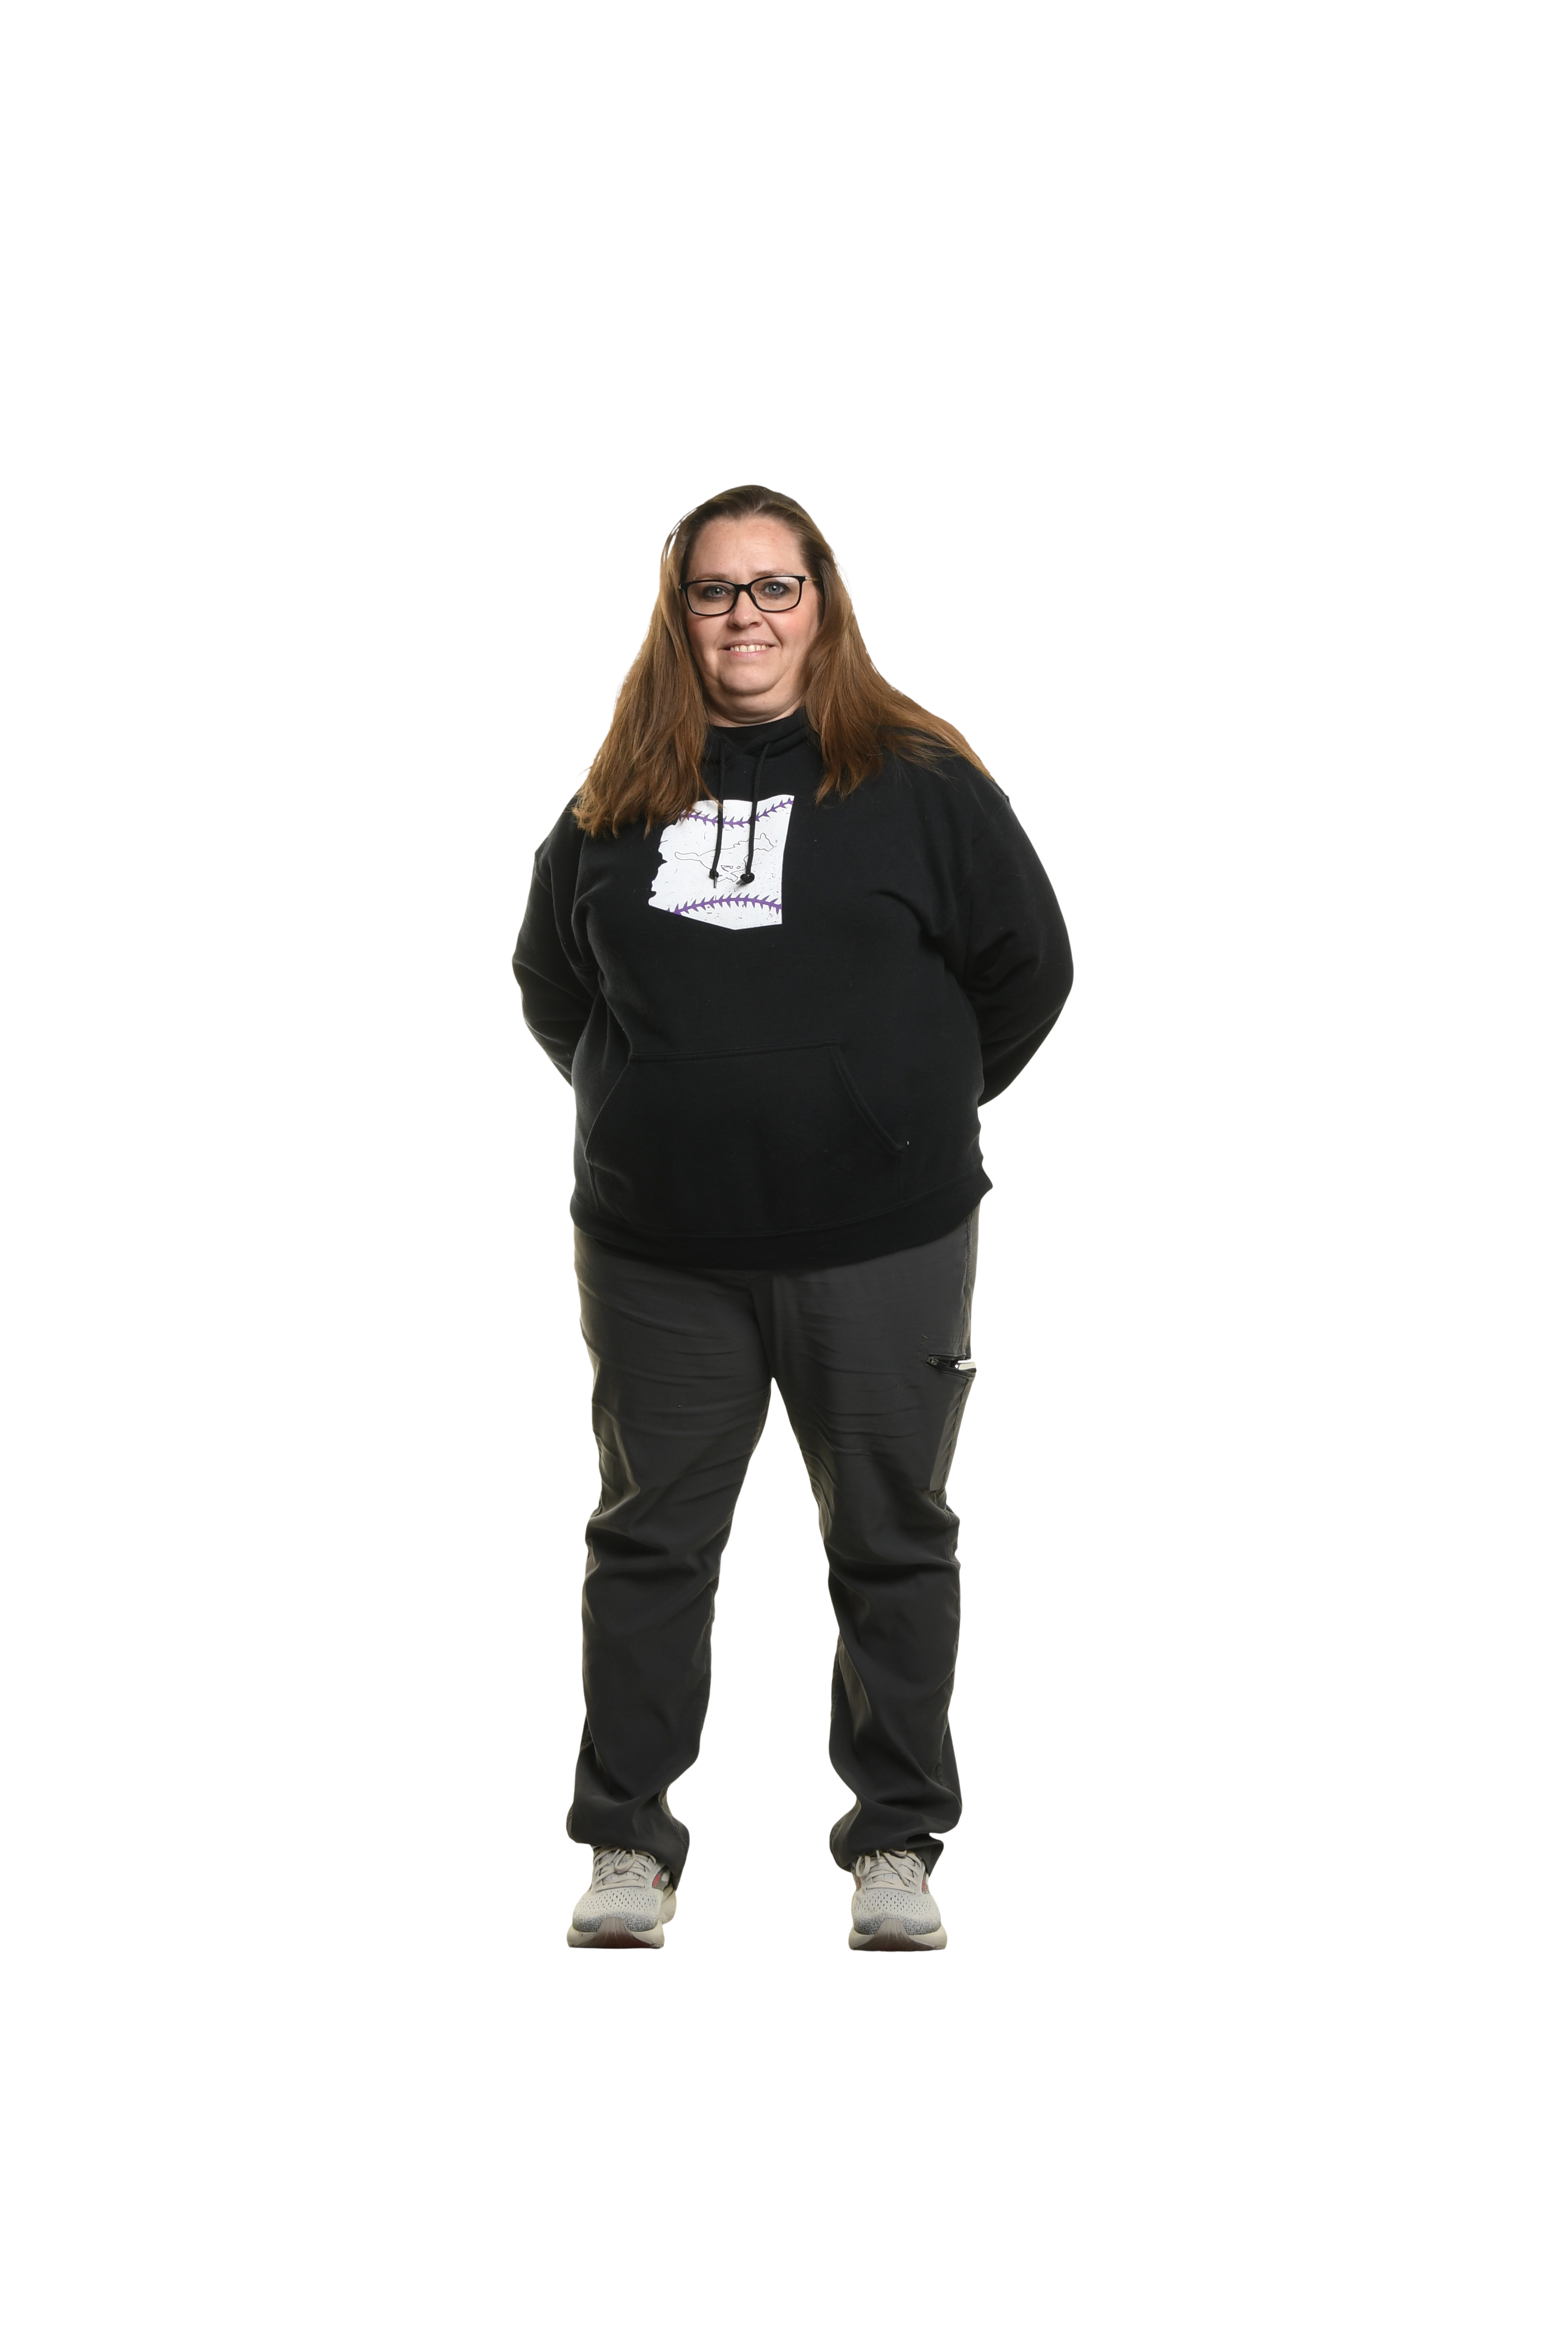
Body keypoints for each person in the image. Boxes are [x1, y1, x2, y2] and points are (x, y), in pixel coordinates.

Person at [512, 483, 1073, 1952]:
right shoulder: (612, 797)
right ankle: (627, 1847)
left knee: (893, 1542)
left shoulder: (923, 781)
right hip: (658, 1252)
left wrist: (896, 1109)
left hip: (883, 1243)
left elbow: (1030, 969)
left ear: (824, 601)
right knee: (649, 1548)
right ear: (676, 612)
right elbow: (555, 988)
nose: (746, 617)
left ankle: (897, 1845)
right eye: (715, 590)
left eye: (776, 586)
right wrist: (658, 1108)